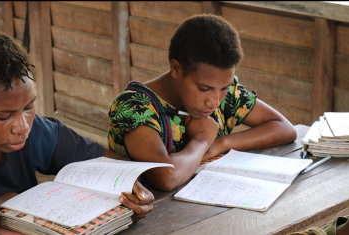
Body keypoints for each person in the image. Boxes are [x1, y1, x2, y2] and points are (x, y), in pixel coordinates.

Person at [0, 27, 154, 235]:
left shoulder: (36, 131)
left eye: (29, 107)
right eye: (4, 116)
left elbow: (115, 167)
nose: (22, 126)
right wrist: (7, 202)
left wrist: (135, 190)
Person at [107, 14, 297, 191]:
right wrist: (202, 141)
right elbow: (166, 177)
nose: (214, 102)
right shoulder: (135, 107)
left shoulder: (225, 93)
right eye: (204, 89)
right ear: (175, 69)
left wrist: (220, 144)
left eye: (223, 88)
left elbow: (284, 128)